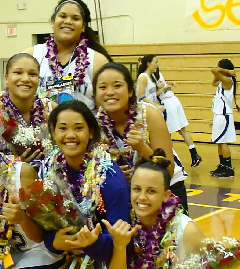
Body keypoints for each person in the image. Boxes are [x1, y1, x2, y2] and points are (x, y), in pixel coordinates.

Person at [0, 120, 65, 268]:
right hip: (0, 257)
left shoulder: (22, 173)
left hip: (38, 251)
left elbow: (43, 235)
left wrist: (22, 219)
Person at [40, 100, 130, 267]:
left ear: (91, 132)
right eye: (63, 128)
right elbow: (46, 231)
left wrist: (94, 242)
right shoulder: (47, 169)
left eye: (78, 128)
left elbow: (123, 243)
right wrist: (54, 242)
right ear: (53, 132)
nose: (70, 135)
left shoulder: (109, 175)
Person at [93, 62, 189, 213]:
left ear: (131, 91)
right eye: (103, 87)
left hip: (166, 189)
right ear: (95, 94)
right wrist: (112, 174)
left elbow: (168, 170)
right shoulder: (94, 124)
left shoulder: (149, 115)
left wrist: (143, 149)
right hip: (130, 194)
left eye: (117, 86)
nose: (110, 92)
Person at [103, 149, 204, 268]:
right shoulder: (125, 224)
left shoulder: (187, 231)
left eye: (151, 191)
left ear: (166, 195)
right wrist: (119, 246)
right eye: (137, 189)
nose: (142, 197)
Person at [24, 0, 112, 111]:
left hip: (81, 127)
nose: (68, 21)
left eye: (75, 18)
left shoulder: (97, 61)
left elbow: (103, 110)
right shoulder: (32, 55)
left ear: (83, 26)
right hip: (39, 126)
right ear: (53, 22)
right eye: (63, 16)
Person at [0, 53, 56, 163]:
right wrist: (16, 165)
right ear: (6, 78)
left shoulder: (51, 109)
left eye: (32, 74)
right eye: (18, 73)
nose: (26, 79)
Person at [138, 55, 202, 167]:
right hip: (146, 112)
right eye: (155, 62)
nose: (157, 65)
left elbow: (154, 94)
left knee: (164, 135)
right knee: (160, 136)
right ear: (148, 63)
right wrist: (155, 104)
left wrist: (163, 90)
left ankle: (167, 159)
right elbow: (140, 96)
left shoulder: (152, 77)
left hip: (156, 109)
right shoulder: (143, 77)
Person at [210, 59, 238, 178]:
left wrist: (226, 72)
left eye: (219, 67)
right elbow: (213, 82)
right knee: (219, 142)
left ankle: (228, 168)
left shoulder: (228, 81)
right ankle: (223, 165)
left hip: (224, 116)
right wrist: (224, 72)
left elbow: (214, 70)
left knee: (223, 141)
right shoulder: (222, 81)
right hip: (219, 115)